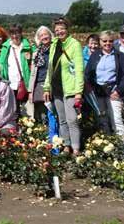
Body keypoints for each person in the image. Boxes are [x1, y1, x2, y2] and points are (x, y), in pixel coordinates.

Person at [43, 17, 84, 155]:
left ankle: (76, 148)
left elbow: (78, 69)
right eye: (57, 30)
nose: (59, 32)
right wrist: (47, 87)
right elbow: (50, 67)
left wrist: (79, 91)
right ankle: (66, 145)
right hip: (57, 89)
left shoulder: (74, 45)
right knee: (62, 120)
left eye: (62, 29)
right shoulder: (54, 44)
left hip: (70, 89)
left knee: (72, 119)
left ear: (67, 30)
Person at [85, 31, 124, 140]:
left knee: (116, 119)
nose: (107, 43)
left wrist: (119, 91)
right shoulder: (95, 55)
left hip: (114, 91)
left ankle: (121, 146)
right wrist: (91, 87)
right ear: (100, 42)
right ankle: (107, 143)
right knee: (102, 118)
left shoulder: (120, 56)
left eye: (110, 41)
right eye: (104, 41)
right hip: (99, 91)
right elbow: (88, 73)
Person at [0, 24, 33, 116]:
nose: (15, 36)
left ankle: (28, 128)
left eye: (17, 33)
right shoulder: (5, 48)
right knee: (13, 110)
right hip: (10, 83)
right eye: (12, 34)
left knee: (26, 111)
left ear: (21, 33)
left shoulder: (28, 47)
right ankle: (14, 129)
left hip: (25, 82)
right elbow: (0, 64)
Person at [28, 26, 54, 124]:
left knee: (52, 110)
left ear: (50, 35)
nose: (44, 37)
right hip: (39, 84)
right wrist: (30, 91)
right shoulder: (36, 53)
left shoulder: (55, 50)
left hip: (52, 84)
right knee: (42, 112)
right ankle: (44, 132)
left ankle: (54, 133)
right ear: (38, 38)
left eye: (45, 34)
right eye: (41, 35)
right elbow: (33, 73)